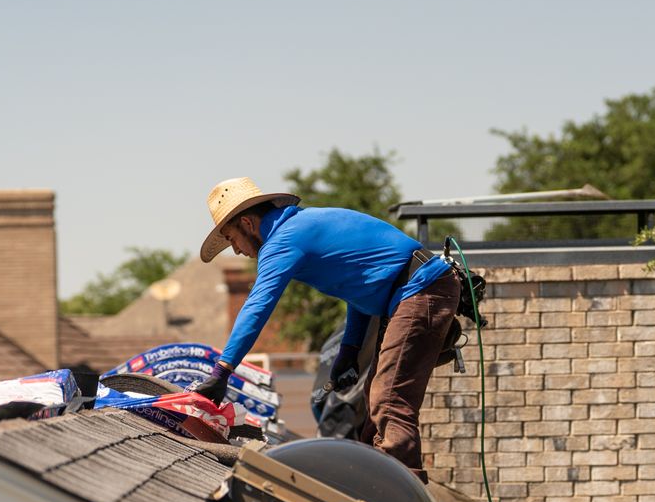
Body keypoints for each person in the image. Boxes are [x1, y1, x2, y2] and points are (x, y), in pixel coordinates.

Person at [194, 177, 460, 483]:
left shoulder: (285, 239)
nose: (237, 251)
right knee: (374, 403)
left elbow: (257, 306)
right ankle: (373, 484)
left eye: (231, 239)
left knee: (388, 400)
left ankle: (403, 499)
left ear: (247, 223)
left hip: (421, 290)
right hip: (411, 291)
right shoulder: (303, 227)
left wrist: (222, 371)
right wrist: (349, 350)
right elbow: (359, 290)